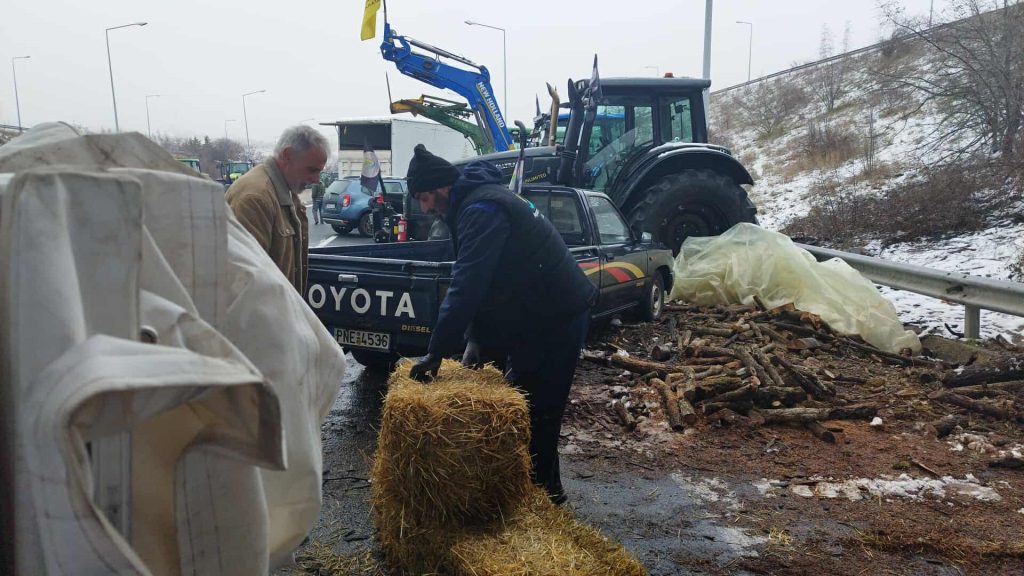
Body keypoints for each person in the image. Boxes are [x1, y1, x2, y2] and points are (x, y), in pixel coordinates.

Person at [405, 144, 597, 505]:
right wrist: (476, 337)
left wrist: (434, 353)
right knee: (520, 403)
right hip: (534, 313)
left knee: (538, 410)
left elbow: (468, 285)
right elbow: (490, 283)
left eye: (426, 198)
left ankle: (546, 501)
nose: (425, 208)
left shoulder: (482, 209)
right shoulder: (475, 204)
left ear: (443, 188)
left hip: (558, 314)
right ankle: (529, 493)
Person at [225, 125, 329, 294]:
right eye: (312, 170)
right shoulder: (255, 198)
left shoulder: (287, 191)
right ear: (287, 156)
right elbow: (244, 285)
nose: (316, 180)